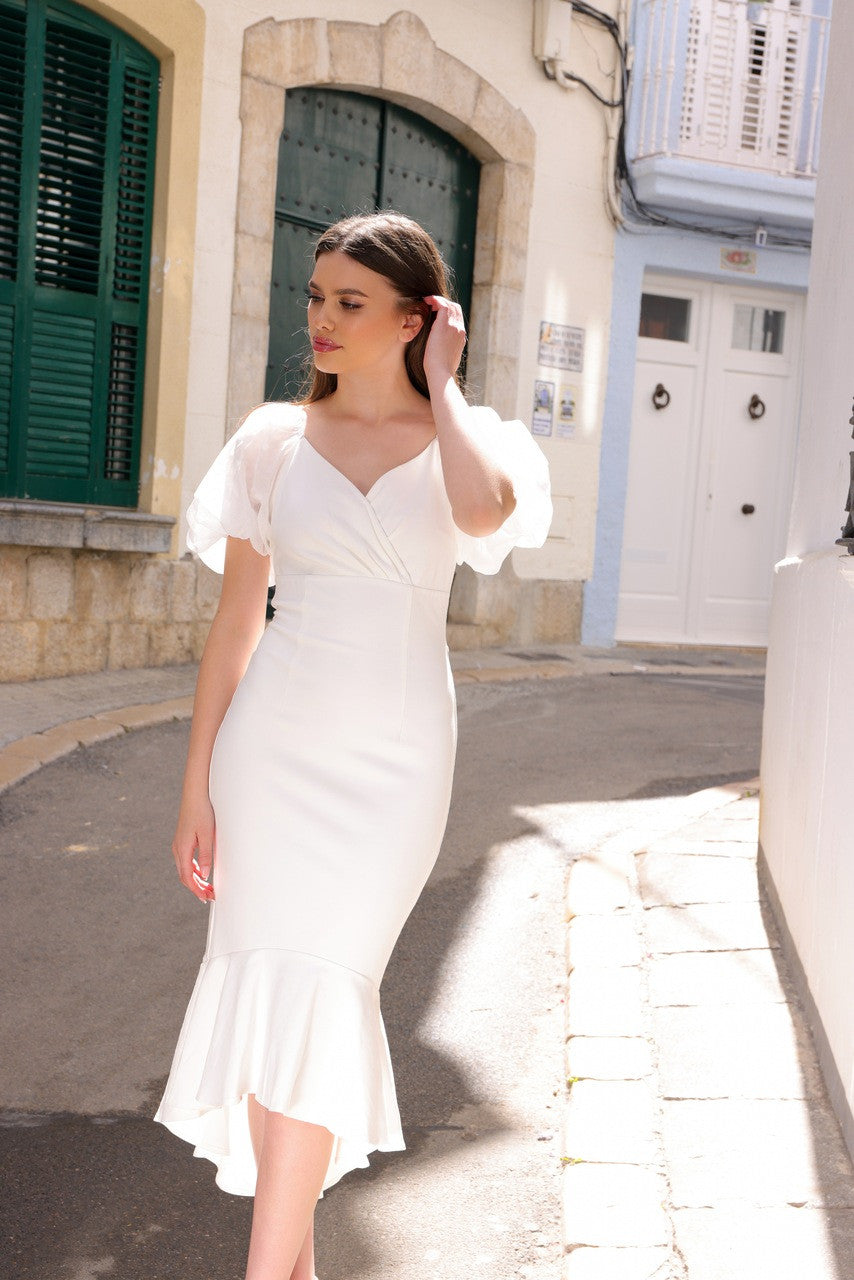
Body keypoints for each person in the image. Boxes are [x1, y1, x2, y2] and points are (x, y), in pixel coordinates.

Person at [154, 211, 552, 1280]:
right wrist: (196, 784)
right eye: (315, 297)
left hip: (395, 764)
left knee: (330, 984)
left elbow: (483, 513)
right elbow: (235, 627)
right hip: (269, 750)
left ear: (416, 320)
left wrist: (447, 384)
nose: (320, 320)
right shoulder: (270, 442)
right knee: (279, 992)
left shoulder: (466, 445)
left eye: (348, 302)